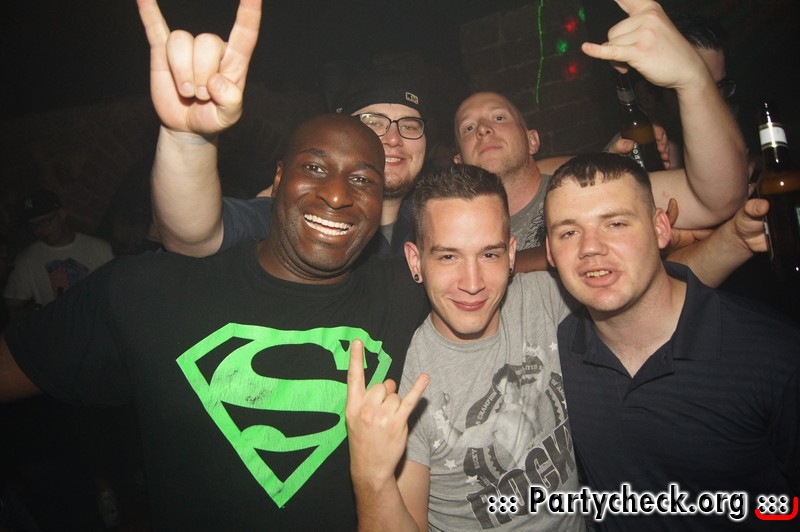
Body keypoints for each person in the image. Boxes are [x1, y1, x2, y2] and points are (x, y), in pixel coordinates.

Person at [0, 109, 432, 530]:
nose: (337, 195)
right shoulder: (150, 291)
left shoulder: (409, 295)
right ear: (279, 178)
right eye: (314, 168)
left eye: (362, 179)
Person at [344, 162, 772, 531]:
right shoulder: (411, 379)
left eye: (489, 255)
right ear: (416, 261)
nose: (472, 283)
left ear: (512, 254)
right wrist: (371, 477)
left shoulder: (542, 300)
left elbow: (642, 290)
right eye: (448, 257)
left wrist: (731, 242)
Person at [544, 152, 800, 530]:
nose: (591, 247)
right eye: (569, 232)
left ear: (661, 229)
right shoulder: (554, 357)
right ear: (550, 252)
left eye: (616, 223)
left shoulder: (773, 355)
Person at [452, 0, 749, 271]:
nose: (483, 129)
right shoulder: (454, 228)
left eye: (499, 117)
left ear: (533, 140)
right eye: (468, 128)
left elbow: (717, 198)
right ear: (458, 163)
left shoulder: (592, 190)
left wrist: (692, 79)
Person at [634, 13, 735, 169]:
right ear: (647, 96)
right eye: (696, 88)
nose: (716, 102)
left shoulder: (733, 154)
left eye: (719, 87)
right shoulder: (623, 163)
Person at [3, 189, 114, 321]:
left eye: (45, 221)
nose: (40, 230)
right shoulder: (26, 259)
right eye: (33, 225)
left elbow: (114, 291)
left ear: (62, 213)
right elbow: (12, 305)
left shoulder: (100, 248)